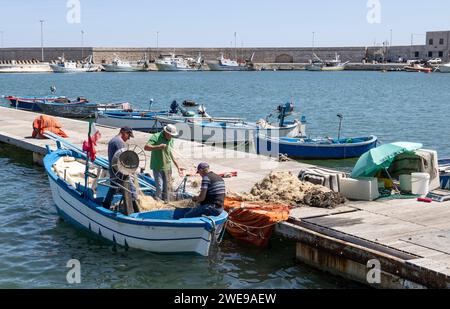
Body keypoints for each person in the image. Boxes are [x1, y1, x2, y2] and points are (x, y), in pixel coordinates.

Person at [144, 124, 183, 201]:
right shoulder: (156, 136)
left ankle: (166, 202)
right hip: (157, 166)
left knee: (167, 187)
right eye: (170, 134)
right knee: (159, 187)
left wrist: (178, 166)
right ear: (166, 132)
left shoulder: (171, 139)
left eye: (172, 135)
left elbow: (171, 154)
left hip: (168, 167)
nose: (171, 136)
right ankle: (158, 202)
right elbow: (146, 147)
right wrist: (158, 147)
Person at [103, 127, 136, 212]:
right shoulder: (119, 142)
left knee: (113, 188)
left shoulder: (113, 140)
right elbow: (124, 158)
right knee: (132, 190)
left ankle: (105, 205)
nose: (128, 138)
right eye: (128, 135)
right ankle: (134, 210)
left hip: (113, 170)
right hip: (120, 172)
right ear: (123, 132)